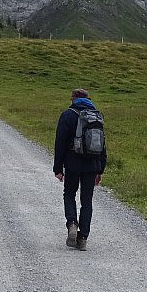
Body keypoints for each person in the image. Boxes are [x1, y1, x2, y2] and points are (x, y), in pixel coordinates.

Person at [53, 88, 106, 251]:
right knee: (87, 200)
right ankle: (83, 238)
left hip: (72, 163)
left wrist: (58, 168)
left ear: (73, 99)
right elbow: (102, 145)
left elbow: (60, 142)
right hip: (92, 165)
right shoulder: (97, 116)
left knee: (69, 193)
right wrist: (100, 170)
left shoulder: (67, 115)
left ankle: (72, 224)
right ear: (87, 99)